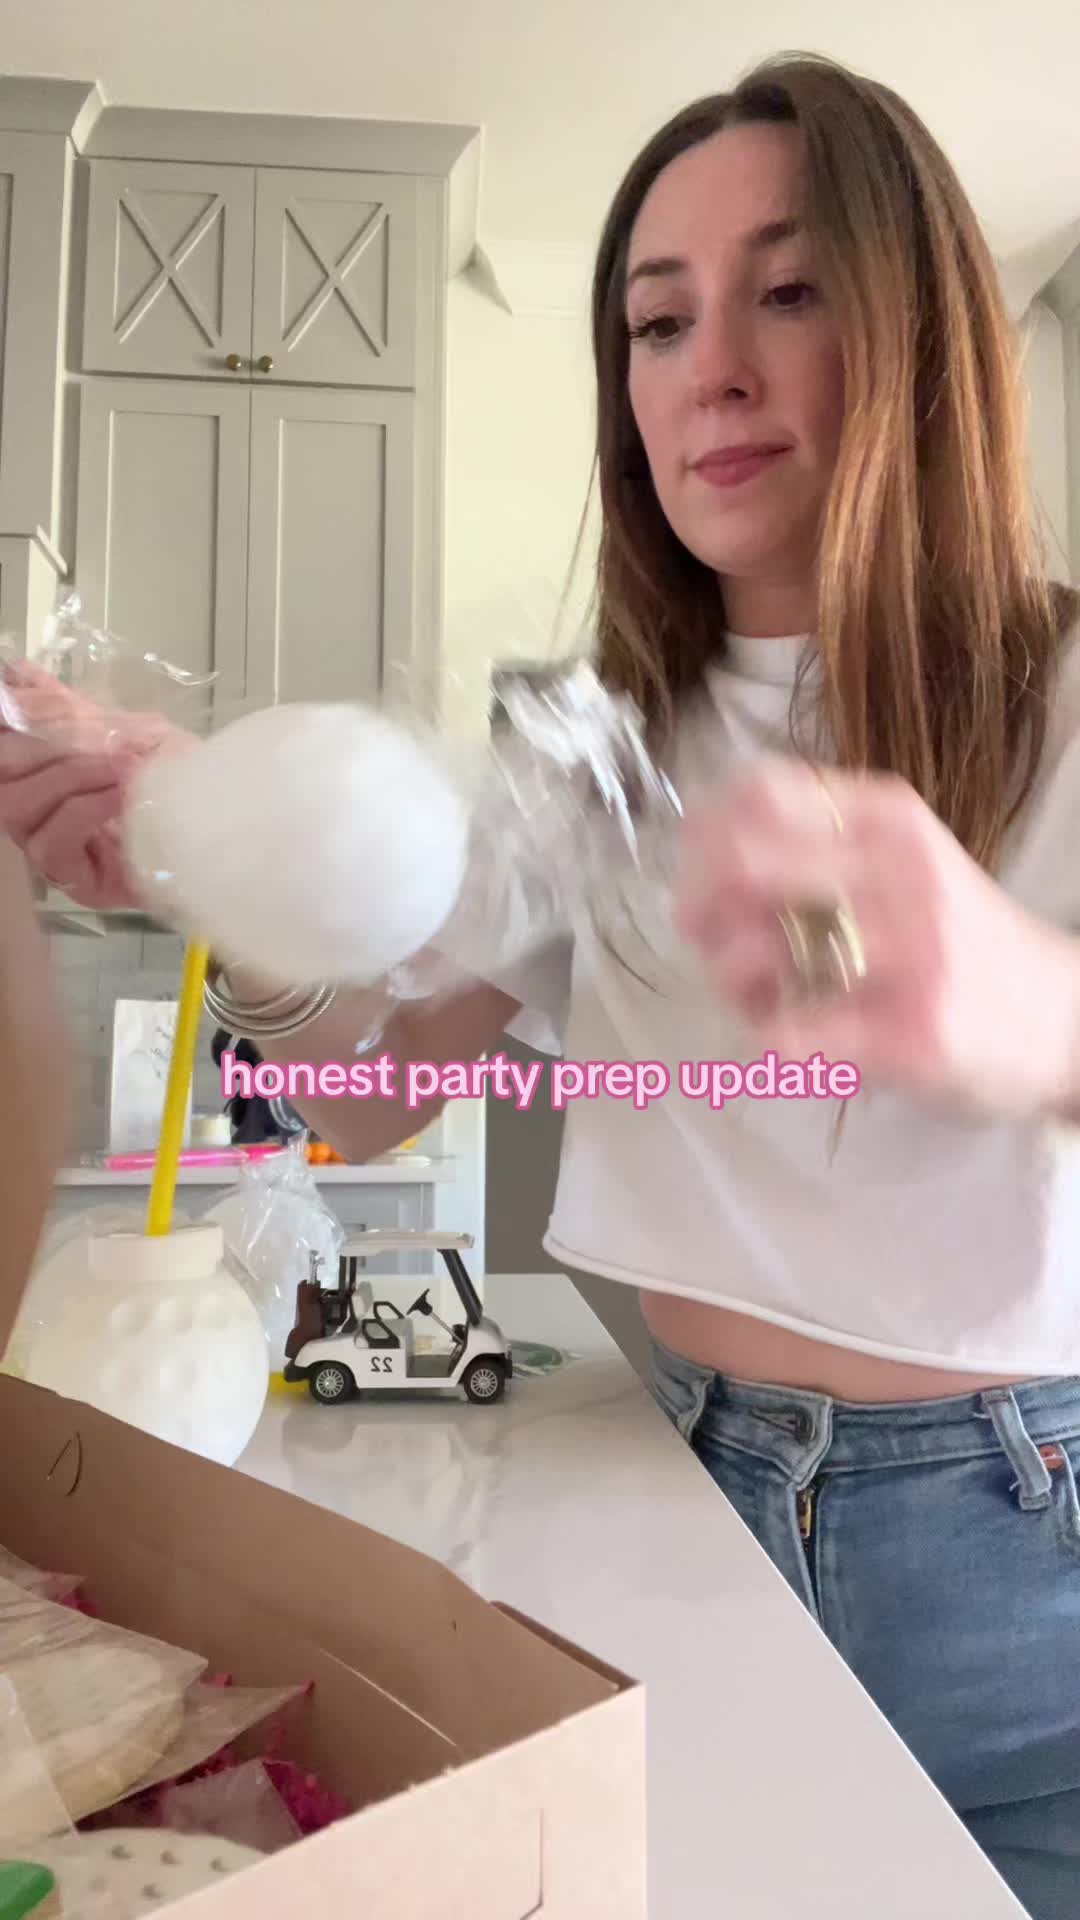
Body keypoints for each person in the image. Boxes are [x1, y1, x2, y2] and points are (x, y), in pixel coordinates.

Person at [3, 49, 1080, 1916]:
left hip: (1016, 1532)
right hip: (674, 1459)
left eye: (790, 291)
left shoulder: (1062, 695)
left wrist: (1031, 1006)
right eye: (658, 323)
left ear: (922, 337)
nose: (708, 371)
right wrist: (212, 887)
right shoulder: (583, 748)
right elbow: (365, 1100)